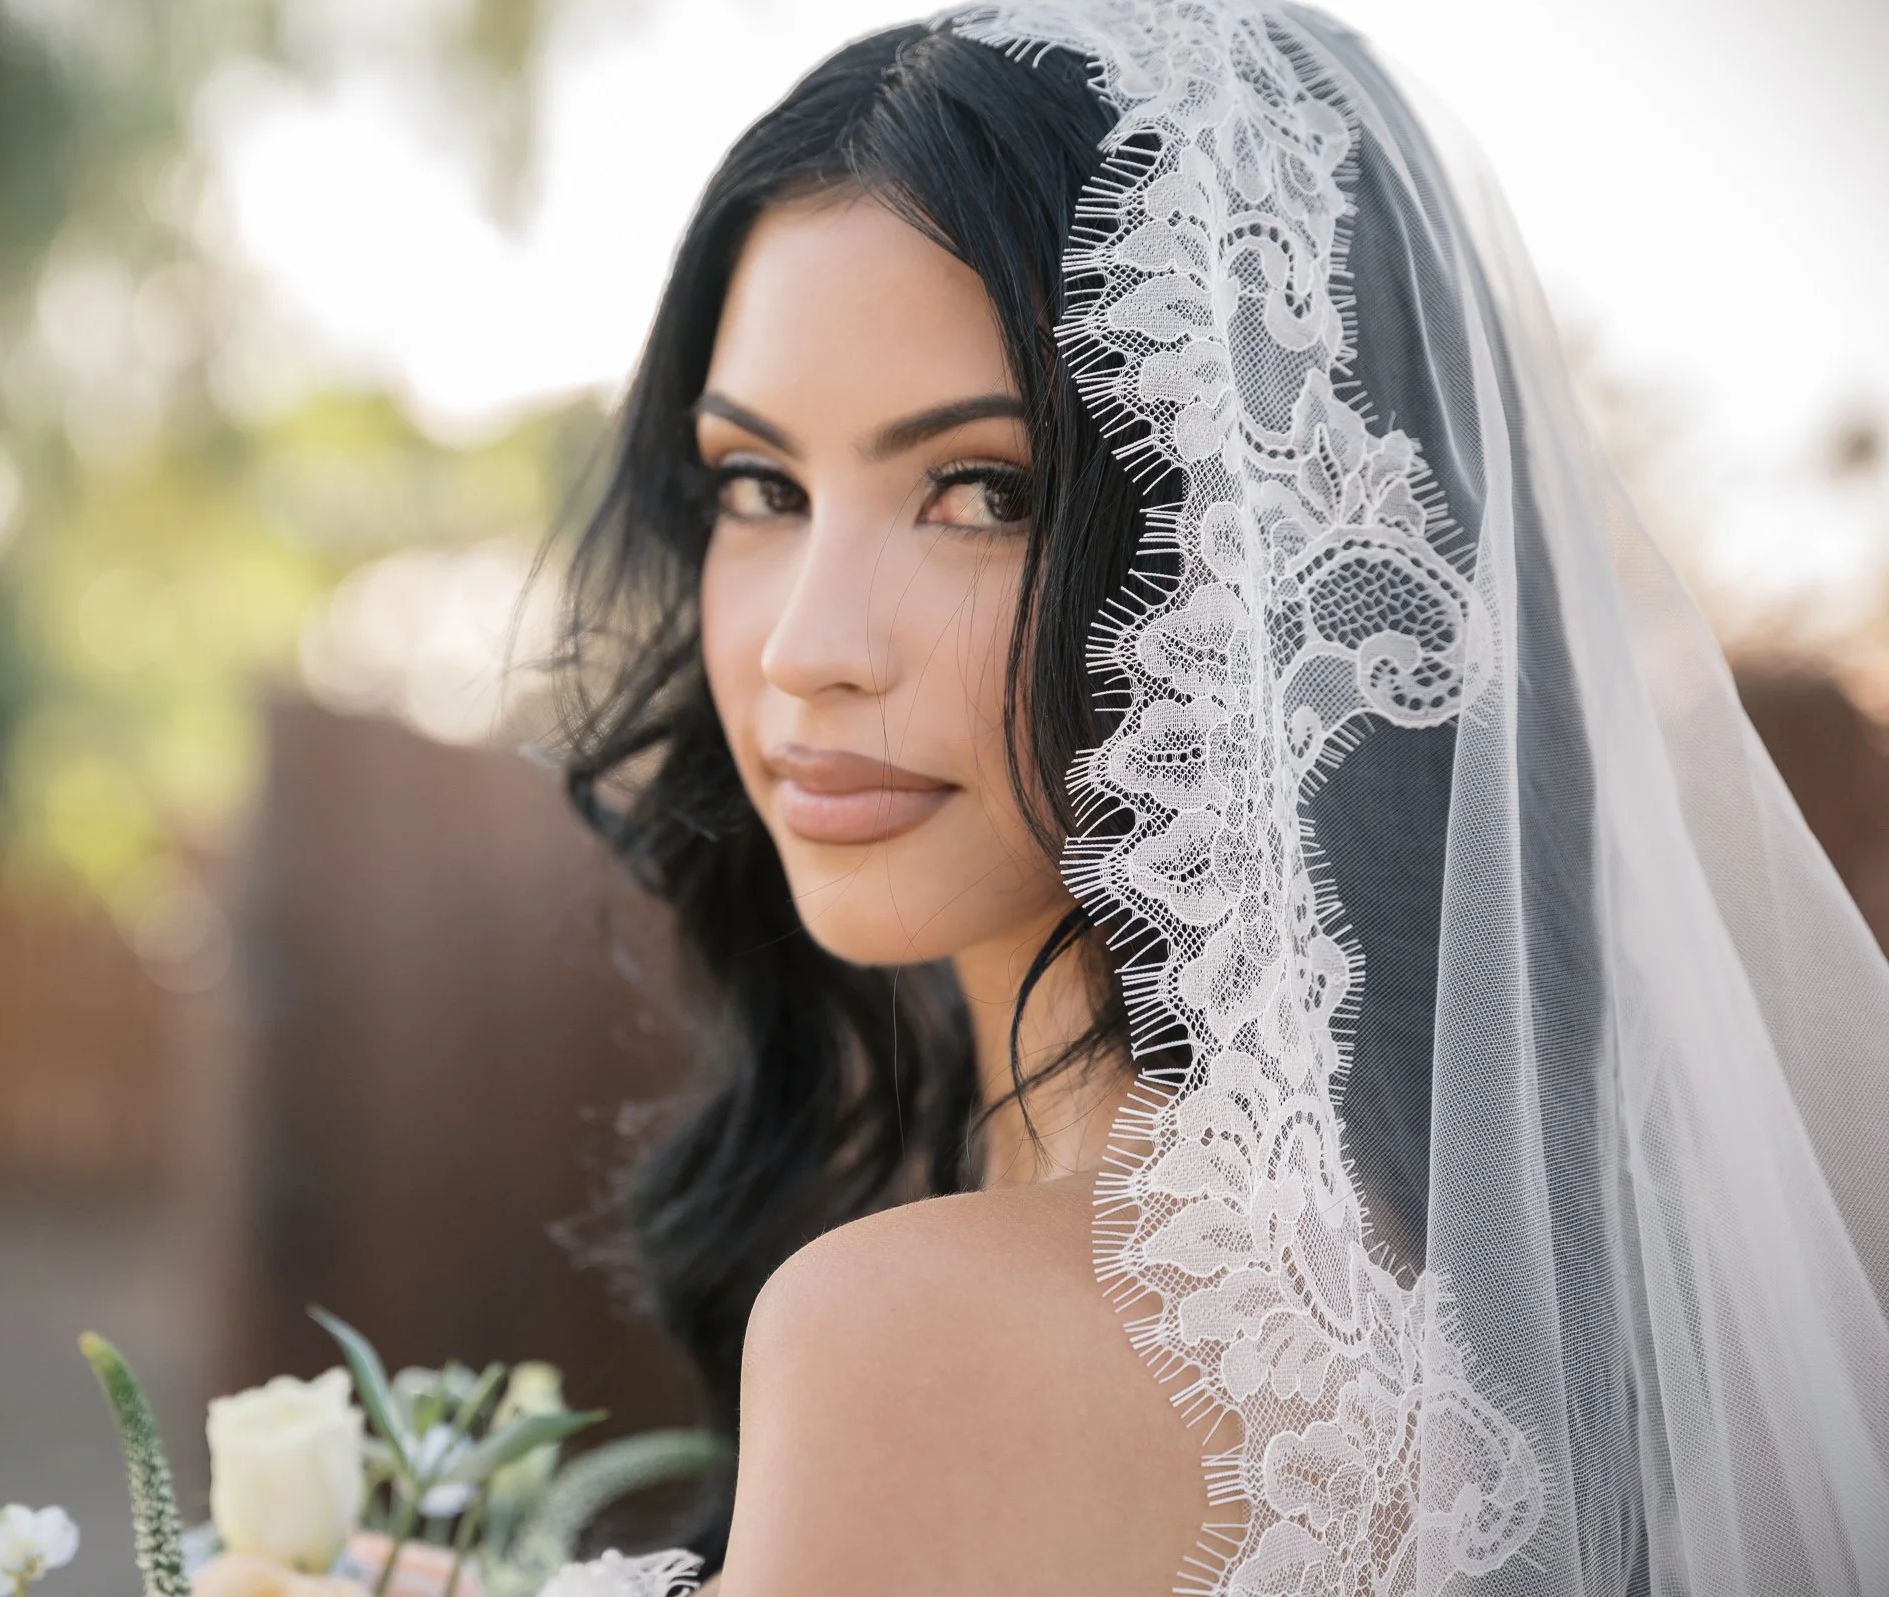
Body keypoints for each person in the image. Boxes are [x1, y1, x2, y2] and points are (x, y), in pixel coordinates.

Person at [543, 4, 1889, 1594]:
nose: (811, 650)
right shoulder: (1573, 1310)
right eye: (759, 488)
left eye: (986, 492)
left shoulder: (907, 1339)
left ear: (1261, 567)